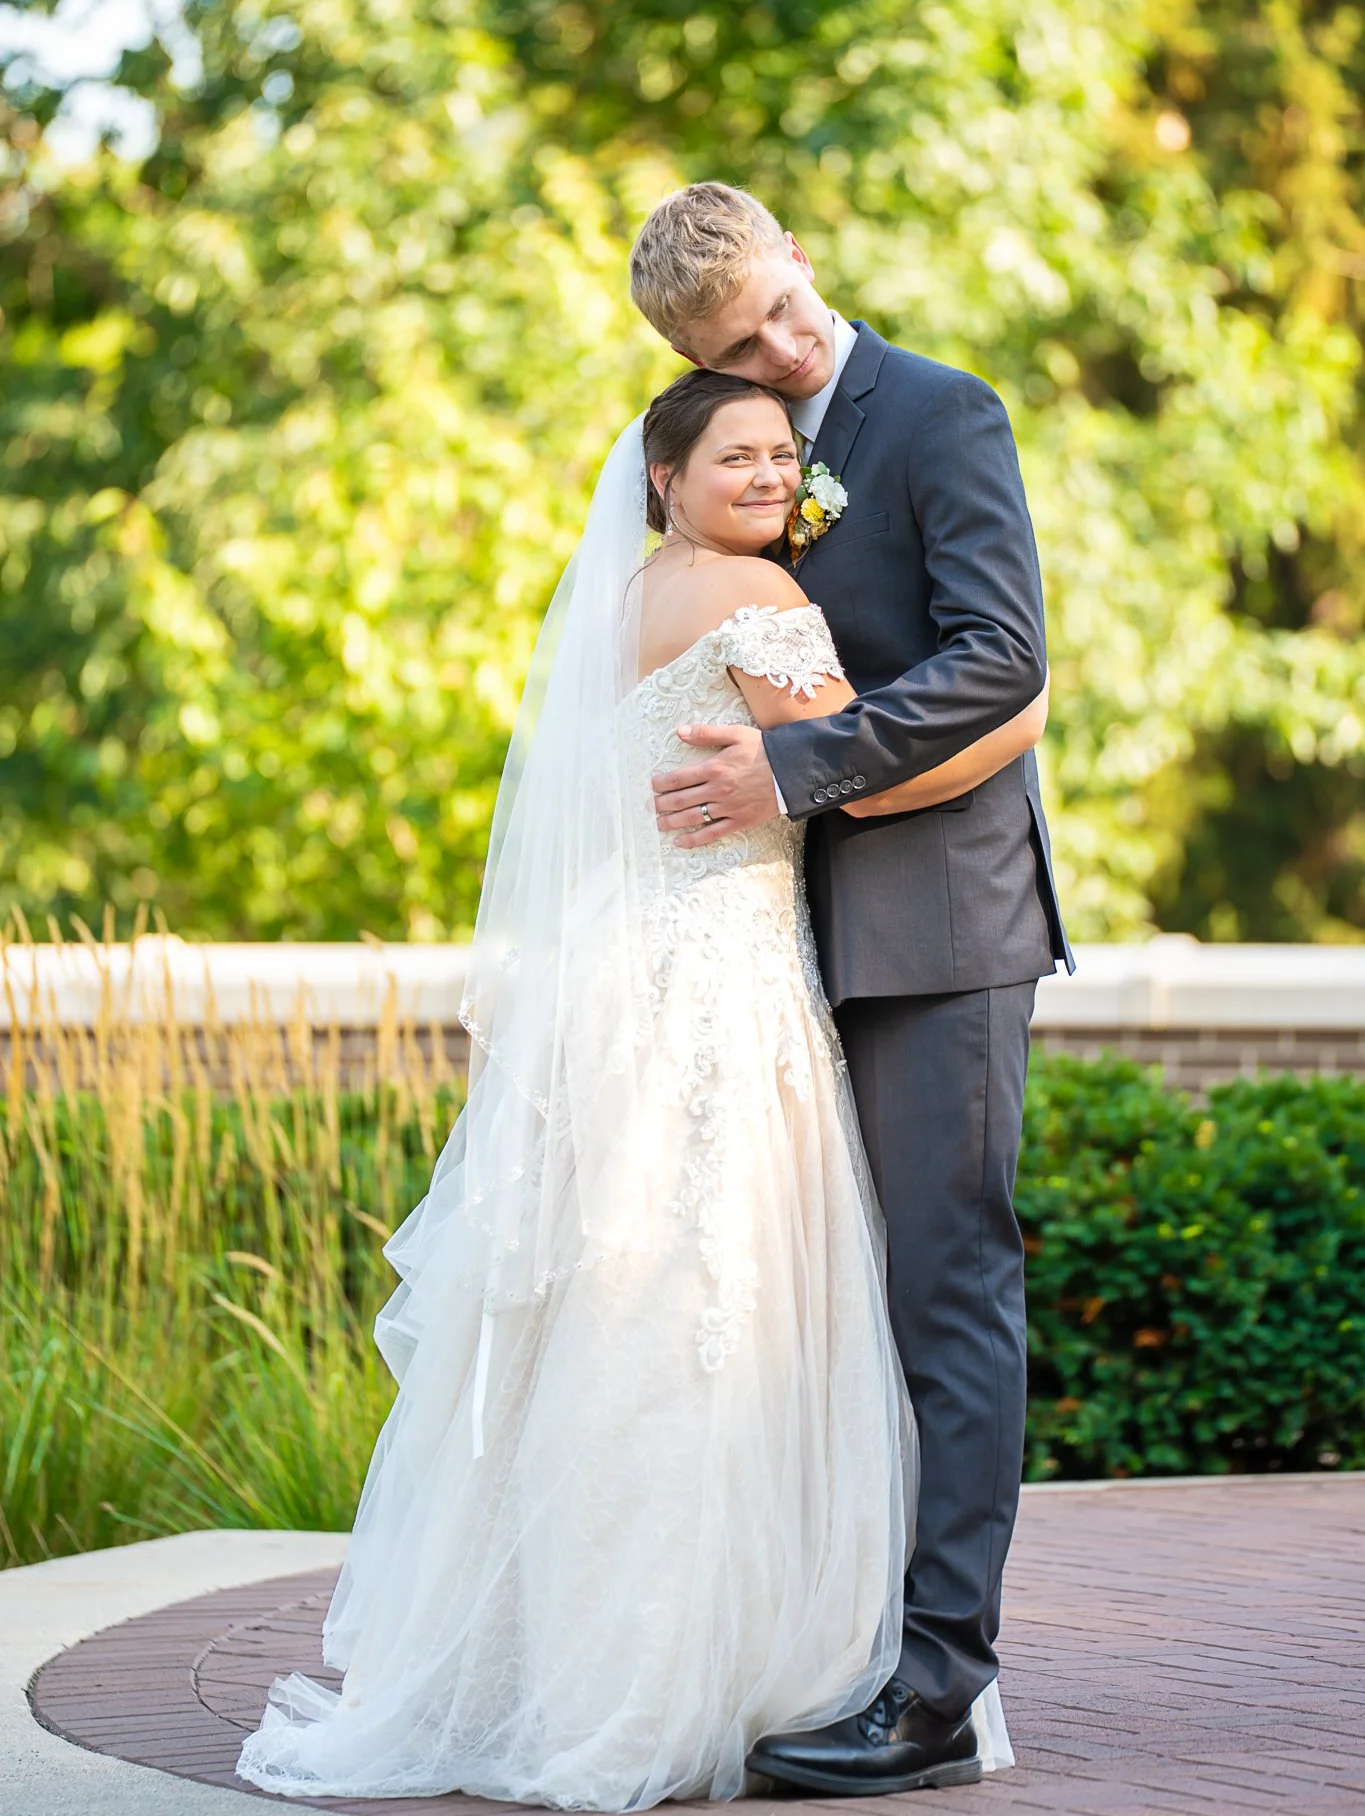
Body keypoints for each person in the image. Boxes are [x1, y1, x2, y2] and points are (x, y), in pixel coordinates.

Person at [236, 365, 1046, 1808]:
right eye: (734, 454)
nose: (769, 476)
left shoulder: (625, 599)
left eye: (784, 454)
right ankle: (691, 1674)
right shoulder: (755, 599)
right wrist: (1018, 715)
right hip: (721, 1004)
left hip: (621, 999)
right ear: (662, 477)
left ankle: (577, 1668)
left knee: (621, 1333)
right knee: (714, 1331)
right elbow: (874, 770)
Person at [632, 183, 1072, 1797]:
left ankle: (937, 1692)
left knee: (946, 1299)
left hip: (941, 928)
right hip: (758, 948)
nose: (781, 345)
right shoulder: (708, 459)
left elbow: (1000, 658)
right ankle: (814, 1642)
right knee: (799, 1316)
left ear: (801, 256)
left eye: (778, 304)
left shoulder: (946, 411)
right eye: (736, 343)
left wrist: (794, 769)